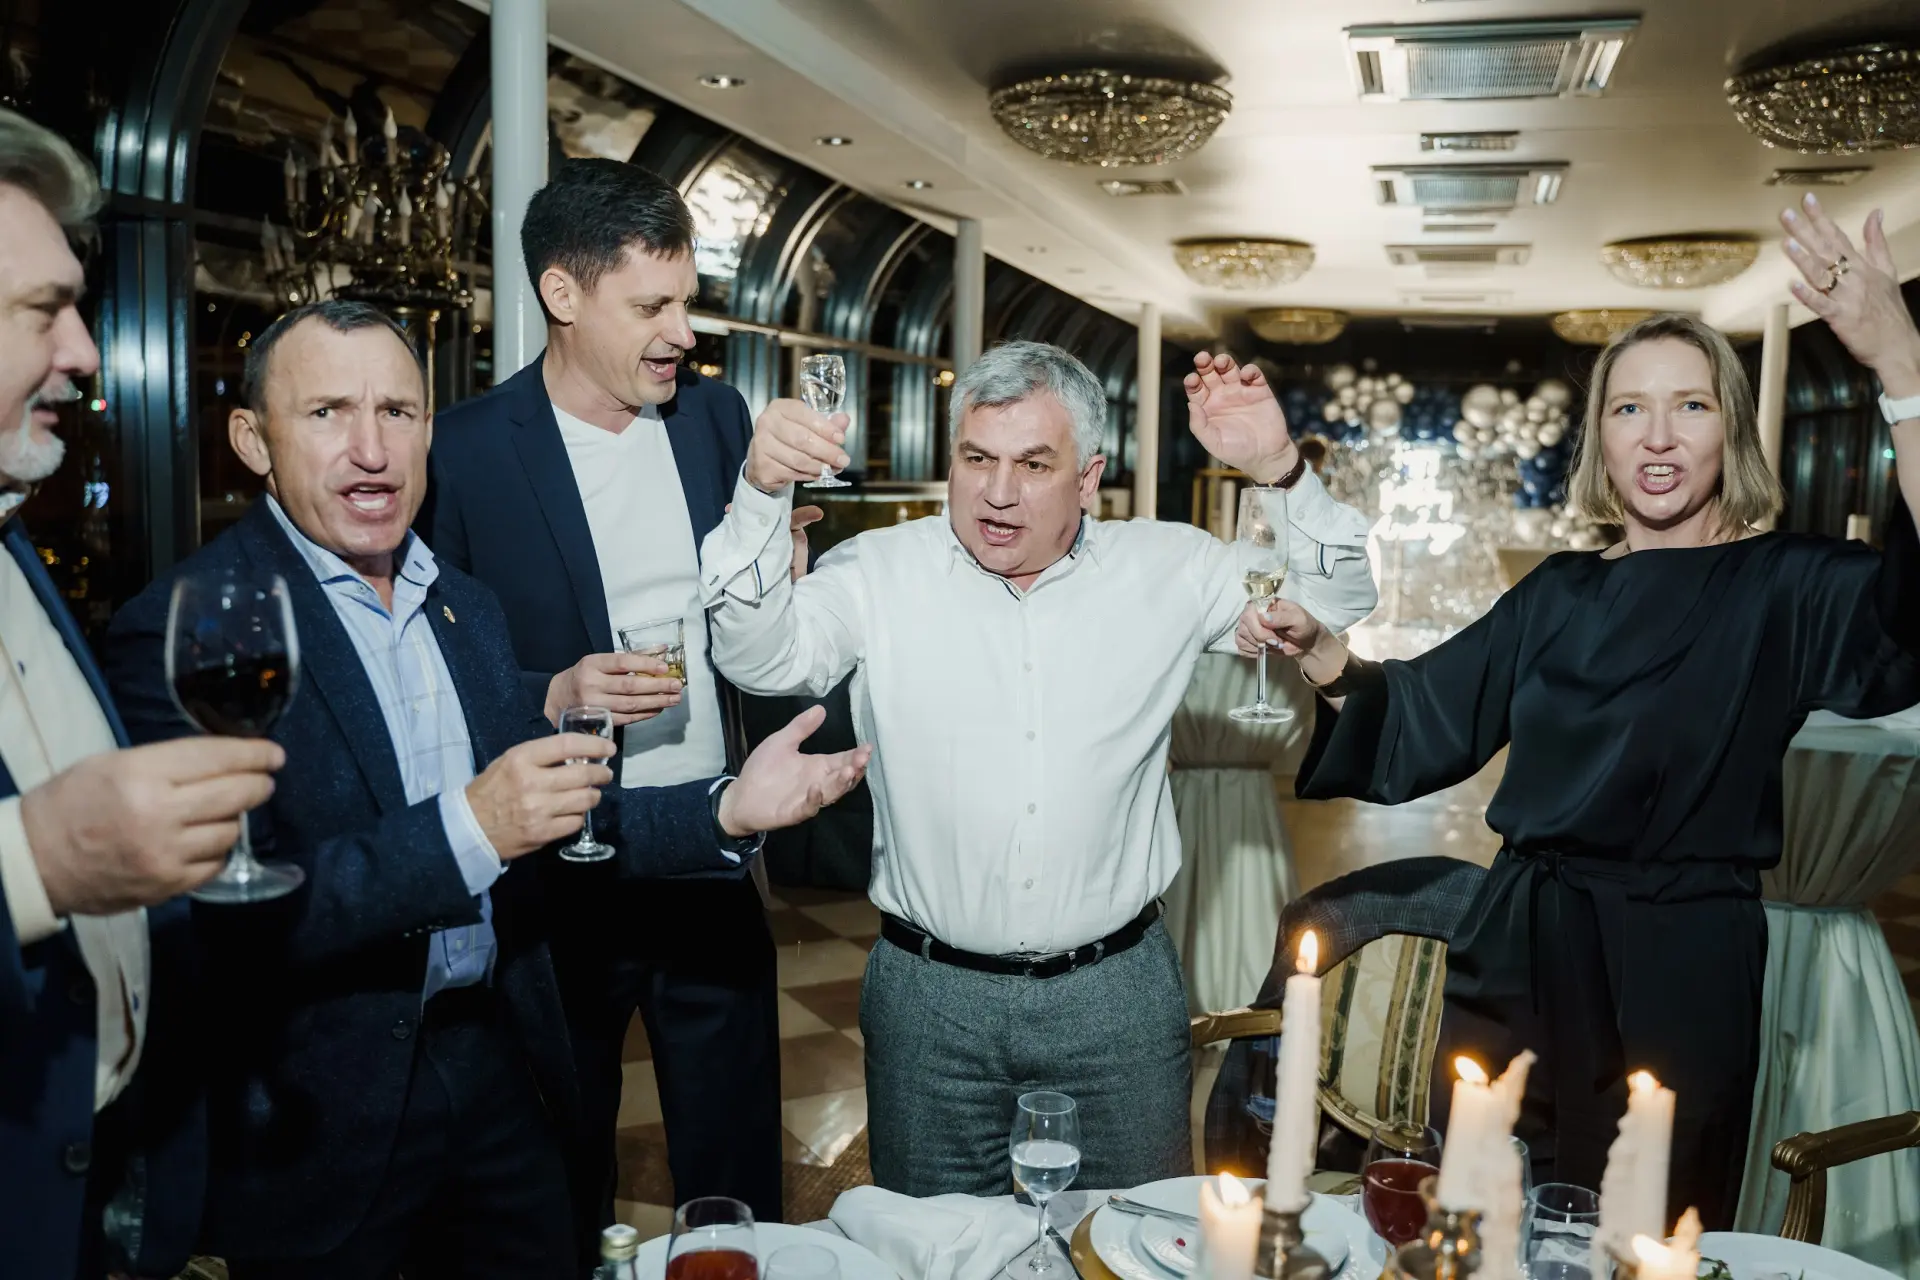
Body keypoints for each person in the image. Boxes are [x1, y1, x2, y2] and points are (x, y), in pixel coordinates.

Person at [101, 300, 868, 1279]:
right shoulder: (190, 630)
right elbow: (211, 916)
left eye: (398, 412)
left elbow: (558, 816)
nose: (372, 450)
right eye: (328, 413)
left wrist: (725, 808)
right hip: (322, 1119)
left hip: (502, 1075)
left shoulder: (464, 609)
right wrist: (470, 828)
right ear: (253, 440)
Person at [1247, 196, 1920, 1227]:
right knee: (1480, 1219)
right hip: (1517, 947)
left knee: (1647, 1231)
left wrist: (1901, 367)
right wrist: (1325, 652)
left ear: (1731, 429)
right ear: (1599, 436)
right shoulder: (1560, 590)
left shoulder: (1785, 586)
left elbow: (1909, 617)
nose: (1659, 437)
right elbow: (1424, 711)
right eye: (1629, 409)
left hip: (1682, 965)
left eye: (1691, 406)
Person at [699, 338, 1379, 1193]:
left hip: (1115, 1000)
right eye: (977, 458)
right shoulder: (879, 572)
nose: (997, 491)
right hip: (929, 1002)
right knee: (933, 1248)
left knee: (1130, 1237)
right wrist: (762, 492)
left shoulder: (1165, 568)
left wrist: (1279, 465)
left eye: (1032, 463)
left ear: (1088, 479)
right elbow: (758, 658)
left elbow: (1338, 599)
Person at [424, 158, 808, 1246]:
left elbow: (753, 602)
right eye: (652, 307)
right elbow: (434, 669)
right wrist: (550, 690)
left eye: (685, 301)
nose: (683, 332)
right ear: (562, 293)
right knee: (557, 1170)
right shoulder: (463, 451)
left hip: (710, 851)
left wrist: (784, 563)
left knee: (735, 1176)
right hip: (559, 873)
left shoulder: (718, 419)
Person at [0, 108, 283, 1279]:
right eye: (43, 310)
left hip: (108, 1183)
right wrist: (32, 862)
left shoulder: (14, 544)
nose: (84, 351)